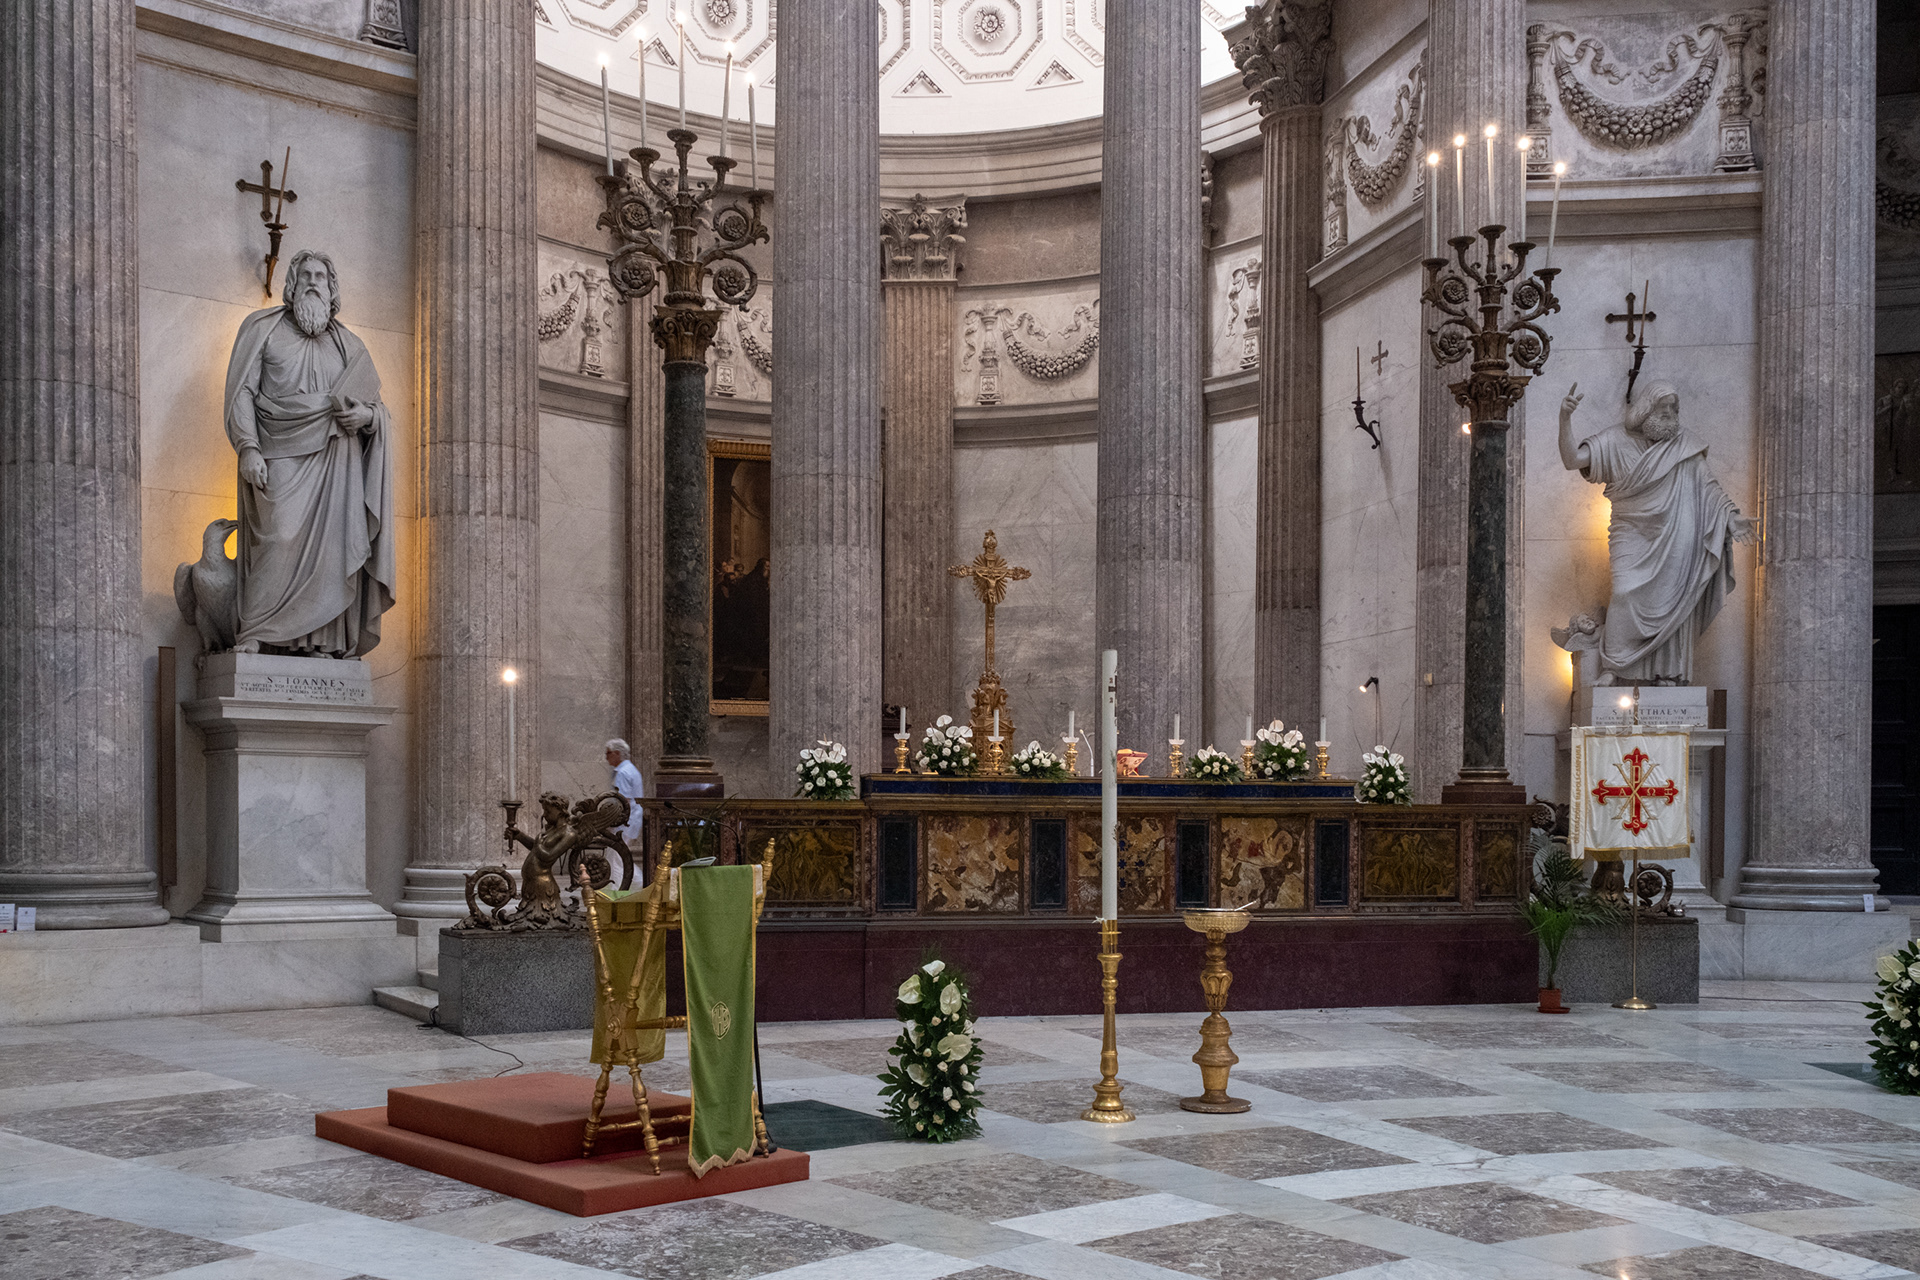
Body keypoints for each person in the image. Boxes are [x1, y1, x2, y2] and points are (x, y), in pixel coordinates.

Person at [223, 249, 395, 657]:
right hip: (279, 449)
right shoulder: (261, 329)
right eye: (306, 275)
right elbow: (241, 394)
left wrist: (368, 417)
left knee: (335, 550)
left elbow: (377, 407)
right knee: (279, 534)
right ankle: (258, 631)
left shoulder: (349, 344)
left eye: (321, 276)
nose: (314, 282)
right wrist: (248, 447)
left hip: (338, 460)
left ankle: (323, 642)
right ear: (292, 284)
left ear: (332, 288)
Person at [1559, 380, 1756, 684]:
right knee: (1624, 593)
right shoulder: (1614, 440)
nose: (1668, 415)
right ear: (1645, 408)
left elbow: (1709, 490)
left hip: (1678, 534)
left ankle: (1669, 673)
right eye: (1662, 408)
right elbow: (1573, 460)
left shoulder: (1685, 446)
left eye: (1672, 410)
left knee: (1675, 600)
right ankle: (1614, 667)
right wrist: (1565, 419)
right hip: (1631, 531)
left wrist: (1731, 519)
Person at [605, 739, 645, 849]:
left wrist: (610, 821)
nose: (606, 757)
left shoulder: (623, 772)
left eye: (608, 753)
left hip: (624, 823)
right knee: (619, 858)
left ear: (617, 753)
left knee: (615, 860)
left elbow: (623, 801)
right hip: (632, 820)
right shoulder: (631, 769)